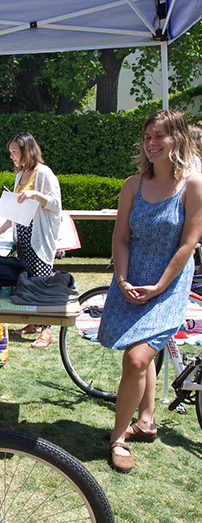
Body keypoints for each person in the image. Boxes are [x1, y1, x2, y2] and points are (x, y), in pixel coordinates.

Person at [98, 110, 202, 473]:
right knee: (140, 350)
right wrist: (123, 279)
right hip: (132, 279)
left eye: (160, 136)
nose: (152, 143)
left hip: (169, 283)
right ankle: (145, 421)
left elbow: (188, 245)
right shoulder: (133, 184)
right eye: (147, 137)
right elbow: (121, 237)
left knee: (137, 358)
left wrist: (159, 286)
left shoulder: (192, 185)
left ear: (178, 138)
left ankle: (117, 438)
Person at [0, 132, 62, 348]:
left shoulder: (44, 174)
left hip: (39, 236)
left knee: (41, 281)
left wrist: (35, 195)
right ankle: (33, 323)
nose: (12, 157)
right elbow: (15, 210)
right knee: (28, 279)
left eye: (14, 152)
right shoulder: (19, 175)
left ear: (26, 151)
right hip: (22, 236)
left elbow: (55, 204)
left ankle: (46, 330)